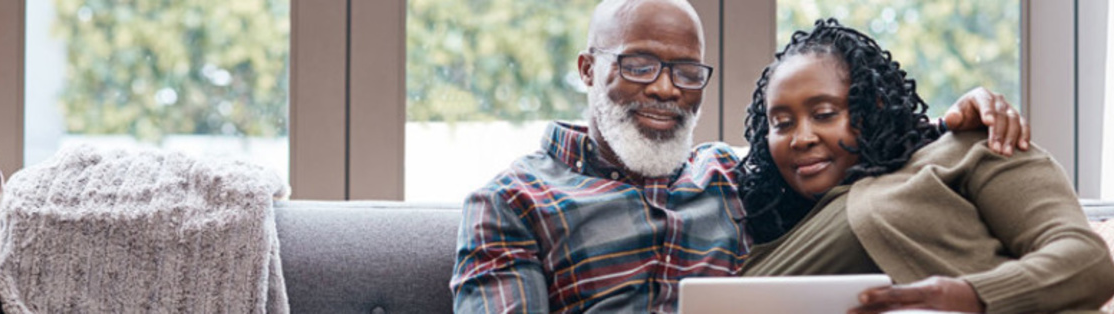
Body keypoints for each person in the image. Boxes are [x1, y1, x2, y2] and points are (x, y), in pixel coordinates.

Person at [448, 0, 1030, 312]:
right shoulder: (512, 201)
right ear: (587, 69)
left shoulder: (734, 172)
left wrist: (964, 119)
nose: (665, 89)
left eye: (685, 71)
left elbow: (863, 148)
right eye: (638, 64)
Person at [738, 19, 1114, 313]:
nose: (800, 138)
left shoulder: (971, 146)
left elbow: (1086, 260)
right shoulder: (777, 227)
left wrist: (974, 296)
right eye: (782, 124)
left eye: (824, 113)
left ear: (873, 107)